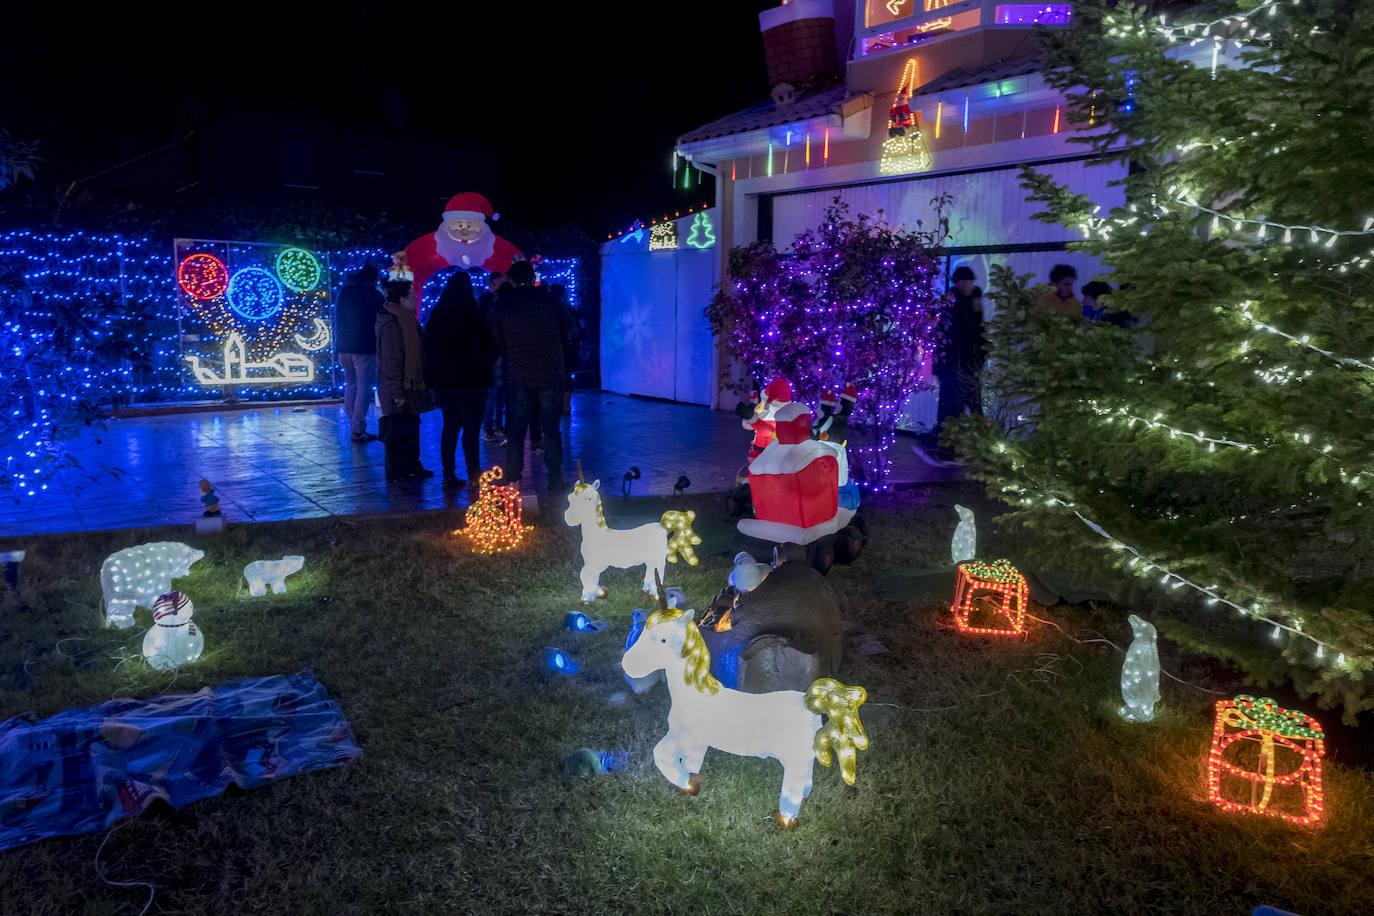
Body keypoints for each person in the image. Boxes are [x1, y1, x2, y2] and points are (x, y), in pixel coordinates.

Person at [489, 260, 575, 488]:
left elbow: (494, 341)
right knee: (551, 429)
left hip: (518, 375)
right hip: (551, 372)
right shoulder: (551, 300)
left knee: (516, 430)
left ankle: (513, 477)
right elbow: (571, 331)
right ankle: (555, 476)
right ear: (532, 277)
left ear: (512, 280)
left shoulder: (503, 305)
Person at [424, 271, 495, 488]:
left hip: (446, 381)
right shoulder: (473, 313)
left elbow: (429, 348)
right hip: (472, 379)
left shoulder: (437, 314)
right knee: (471, 429)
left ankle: (448, 473)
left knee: (450, 426)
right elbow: (489, 344)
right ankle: (474, 472)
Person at [376, 273, 433, 481]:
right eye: (412, 296)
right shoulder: (393, 324)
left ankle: (411, 465)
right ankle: (398, 470)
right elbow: (391, 360)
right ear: (401, 299)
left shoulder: (405, 320)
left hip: (409, 385)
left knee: (410, 424)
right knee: (398, 428)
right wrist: (397, 391)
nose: (416, 299)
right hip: (399, 386)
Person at [933, 265, 985, 442]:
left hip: (967, 359)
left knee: (971, 399)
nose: (971, 285)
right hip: (953, 360)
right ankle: (948, 441)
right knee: (953, 402)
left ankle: (971, 438)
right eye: (968, 281)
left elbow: (977, 327)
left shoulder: (971, 299)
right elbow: (956, 332)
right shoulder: (953, 301)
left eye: (972, 282)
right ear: (959, 283)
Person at [336, 264, 382, 442]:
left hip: (344, 347)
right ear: (373, 279)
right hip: (365, 348)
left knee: (351, 385)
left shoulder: (344, 292)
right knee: (364, 388)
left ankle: (354, 424)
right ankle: (358, 428)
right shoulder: (374, 295)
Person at [479, 272, 508, 445]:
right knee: (494, 390)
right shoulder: (487, 301)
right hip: (493, 351)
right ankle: (490, 426)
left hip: (495, 351)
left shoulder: (489, 301)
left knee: (499, 390)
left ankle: (496, 425)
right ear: (492, 283)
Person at [549, 283, 581, 416]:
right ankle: (566, 406)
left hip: (556, 350)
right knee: (567, 377)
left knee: (556, 378)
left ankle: (558, 405)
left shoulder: (550, 311)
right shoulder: (570, 311)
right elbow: (578, 333)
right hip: (569, 349)